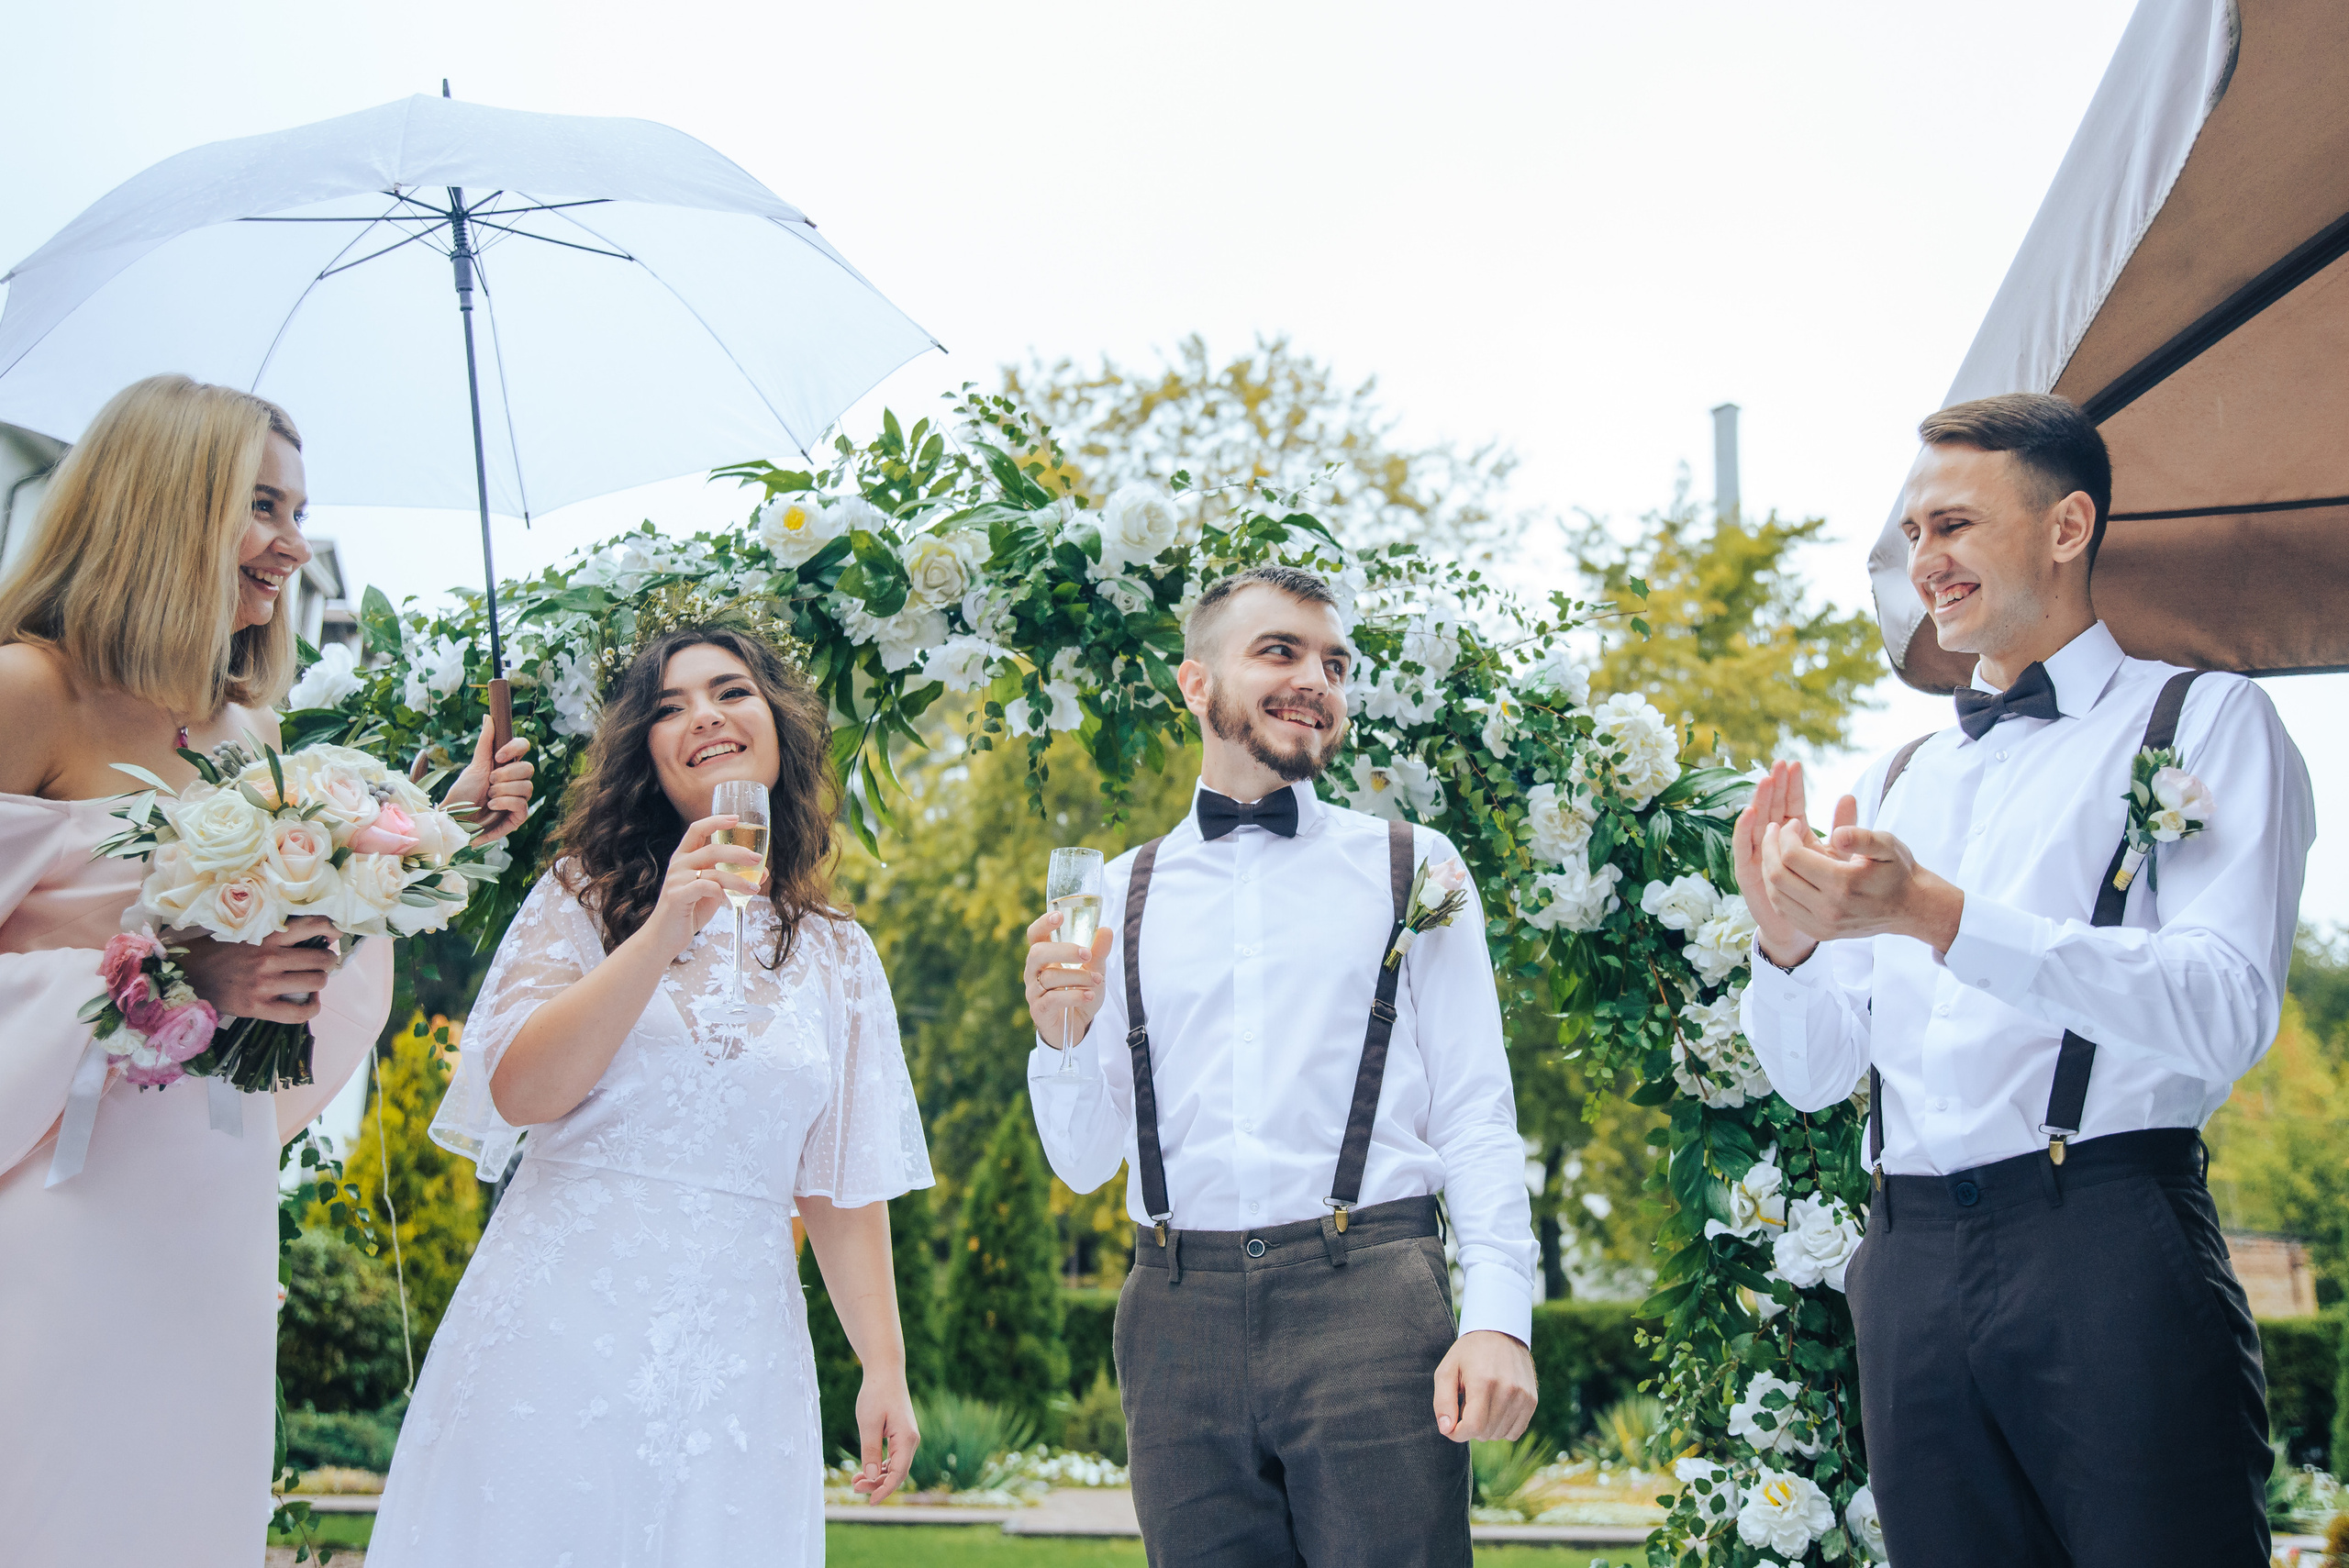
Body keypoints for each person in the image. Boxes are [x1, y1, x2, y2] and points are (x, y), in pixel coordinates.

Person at [1733, 393, 2311, 1567]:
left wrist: (1938, 915)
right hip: (1908, 1262)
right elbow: (1813, 1074)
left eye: (1951, 525)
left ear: (2066, 526)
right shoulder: (1900, 778)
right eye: (1911, 536)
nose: (1923, 562)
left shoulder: (2200, 719)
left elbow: (2224, 1007)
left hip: (2104, 1237)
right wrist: (1783, 943)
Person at [0, 373, 535, 1568]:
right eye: (261, 506)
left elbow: (285, 959)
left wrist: (428, 832)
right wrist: (171, 975)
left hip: (207, 1222)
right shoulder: (28, 693)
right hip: (56, 1217)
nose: (293, 546)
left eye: (298, 511)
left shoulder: (246, 736)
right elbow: (189, 962)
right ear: (162, 502)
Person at [371, 623, 931, 1567]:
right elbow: (521, 1089)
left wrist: (885, 1363)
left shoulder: (839, 953)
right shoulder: (580, 897)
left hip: (737, 1347)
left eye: (729, 691)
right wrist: (666, 923)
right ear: (648, 756)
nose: (703, 715)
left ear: (777, 725)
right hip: (557, 1327)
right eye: (669, 708)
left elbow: (839, 1180)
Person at [1022, 563, 1538, 1568]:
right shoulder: (1118, 892)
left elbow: (1475, 1109)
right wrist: (1061, 1038)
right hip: (1174, 1314)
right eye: (1279, 651)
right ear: (1194, 683)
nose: (1316, 678)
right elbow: (1084, 1164)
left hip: (1373, 1300)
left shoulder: (1413, 864)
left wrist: (1499, 1318)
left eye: (1333, 662)